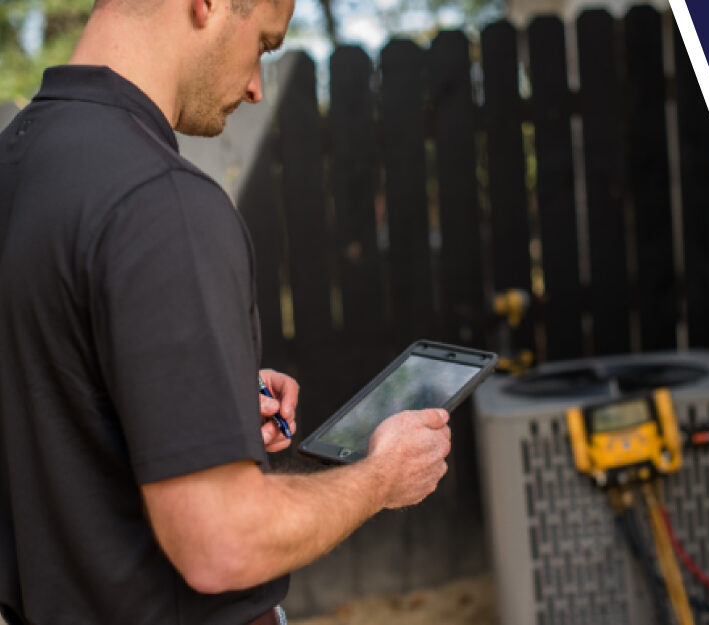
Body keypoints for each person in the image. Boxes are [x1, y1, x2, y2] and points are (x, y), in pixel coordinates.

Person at [0, 1, 452, 623]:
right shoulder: (162, 203)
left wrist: (199, 408)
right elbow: (221, 546)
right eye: (264, 45)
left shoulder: (17, 161)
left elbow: (56, 402)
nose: (256, 87)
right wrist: (380, 477)